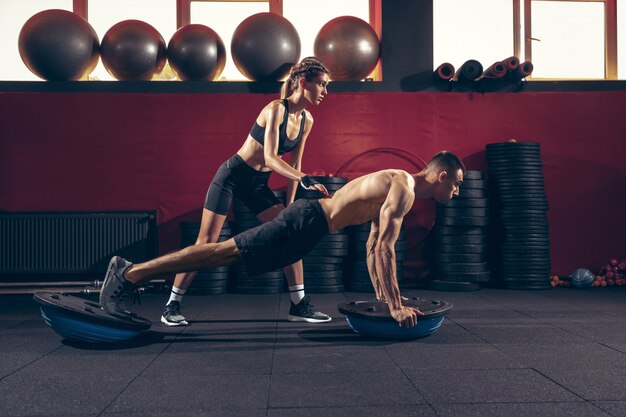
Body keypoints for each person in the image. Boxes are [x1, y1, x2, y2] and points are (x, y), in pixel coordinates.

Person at [100, 151, 465, 328]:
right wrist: (397, 308)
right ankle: (129, 273)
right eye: (457, 184)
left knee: (223, 255)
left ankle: (132, 273)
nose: (458, 192)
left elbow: (373, 248)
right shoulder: (403, 187)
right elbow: (385, 247)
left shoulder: (397, 184)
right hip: (305, 221)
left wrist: (389, 299)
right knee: (218, 254)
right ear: (442, 175)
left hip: (309, 228)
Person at [160, 57, 332, 326]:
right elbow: (273, 158)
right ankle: (172, 305)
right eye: (321, 85)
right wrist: (305, 178)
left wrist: (289, 207)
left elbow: (295, 165)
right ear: (303, 82)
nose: (325, 91)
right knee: (205, 242)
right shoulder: (276, 109)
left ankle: (298, 306)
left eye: (326, 86)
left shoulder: (307, 119)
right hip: (232, 176)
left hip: (257, 184)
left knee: (291, 235)